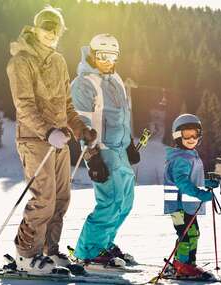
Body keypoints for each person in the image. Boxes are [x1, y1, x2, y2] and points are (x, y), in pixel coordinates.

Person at [6, 5, 97, 274]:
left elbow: (67, 105)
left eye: (57, 28)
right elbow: (24, 105)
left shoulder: (57, 61)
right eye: (47, 26)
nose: (52, 32)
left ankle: (49, 251)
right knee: (43, 197)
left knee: (61, 198)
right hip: (35, 140)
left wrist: (80, 129)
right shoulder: (21, 61)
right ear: (36, 28)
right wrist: (47, 132)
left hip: (59, 139)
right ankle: (26, 254)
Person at [70, 33, 140, 267]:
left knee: (125, 202)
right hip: (102, 150)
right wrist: (92, 158)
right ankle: (89, 250)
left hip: (120, 150)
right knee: (110, 202)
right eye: (103, 55)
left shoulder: (116, 79)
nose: (108, 61)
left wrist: (129, 142)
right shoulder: (83, 83)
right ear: (92, 54)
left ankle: (105, 243)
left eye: (113, 56)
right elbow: (82, 125)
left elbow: (121, 116)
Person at [164, 114, 219, 278]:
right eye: (187, 134)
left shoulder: (188, 154)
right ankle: (183, 265)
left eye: (195, 134)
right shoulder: (181, 157)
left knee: (189, 233)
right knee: (188, 234)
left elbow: (192, 179)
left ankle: (185, 263)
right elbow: (182, 182)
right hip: (179, 207)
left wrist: (206, 183)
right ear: (178, 135)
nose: (191, 138)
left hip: (184, 206)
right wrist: (200, 194)